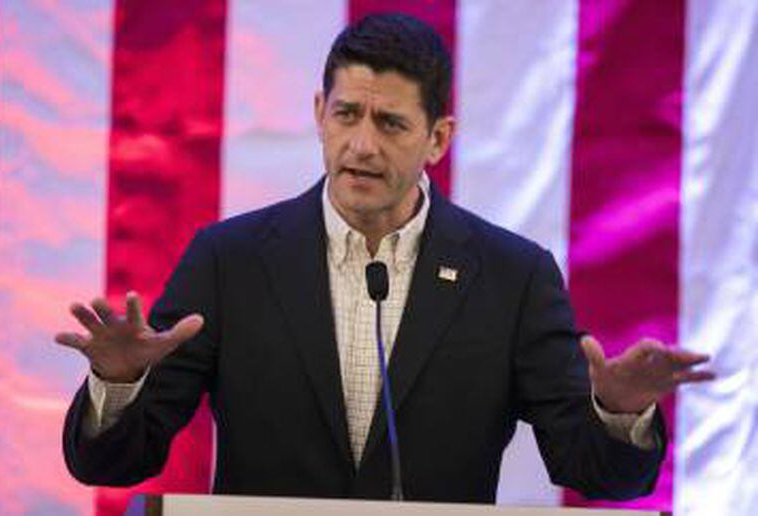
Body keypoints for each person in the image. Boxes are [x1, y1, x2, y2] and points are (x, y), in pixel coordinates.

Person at [56, 13, 713, 502]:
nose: (362, 145)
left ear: (438, 139)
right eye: (347, 115)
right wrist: (118, 384)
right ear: (320, 113)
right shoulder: (230, 261)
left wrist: (619, 414)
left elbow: (594, 471)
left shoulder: (513, 278)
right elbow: (114, 464)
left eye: (391, 124)